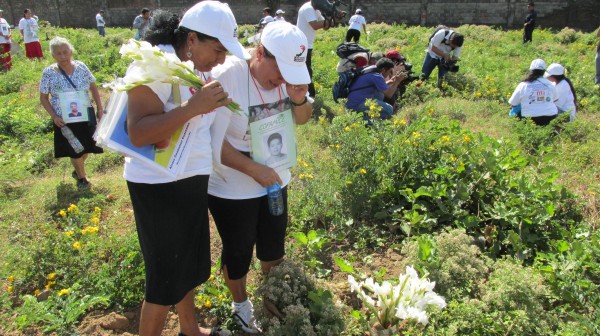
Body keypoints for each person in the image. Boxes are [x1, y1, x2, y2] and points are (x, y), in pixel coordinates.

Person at [124, 2, 250, 335]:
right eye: (218, 49)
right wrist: (192, 108)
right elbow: (138, 131)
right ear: (191, 39)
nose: (222, 59)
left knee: (188, 263)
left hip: (189, 180)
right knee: (165, 276)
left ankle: (190, 328)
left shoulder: (187, 63)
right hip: (159, 188)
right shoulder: (154, 65)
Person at [208, 20, 312, 334]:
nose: (282, 80)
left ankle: (272, 297)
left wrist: (297, 98)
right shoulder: (228, 77)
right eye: (278, 72)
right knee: (238, 248)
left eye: (289, 75)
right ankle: (240, 305)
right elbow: (216, 143)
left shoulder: (289, 79)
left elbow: (303, 119)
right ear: (259, 53)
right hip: (232, 183)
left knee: (272, 244)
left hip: (275, 177)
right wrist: (255, 170)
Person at [39, 37, 103, 188]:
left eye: (65, 52)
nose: (63, 56)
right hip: (64, 118)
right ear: (53, 55)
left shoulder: (81, 67)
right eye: (58, 53)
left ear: (71, 52)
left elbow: (93, 87)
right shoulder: (48, 72)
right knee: (74, 149)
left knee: (87, 146)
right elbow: (43, 97)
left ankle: (77, 168)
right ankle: (82, 178)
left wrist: (100, 109)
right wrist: (54, 116)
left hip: (85, 113)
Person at [296, 1, 334, 97]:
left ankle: (305, 93)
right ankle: (308, 94)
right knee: (305, 69)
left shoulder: (315, 10)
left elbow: (325, 26)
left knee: (306, 68)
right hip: (301, 44)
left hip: (307, 44)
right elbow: (315, 25)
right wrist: (329, 20)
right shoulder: (308, 8)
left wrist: (334, 18)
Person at [508, 59, 558, 126]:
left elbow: (513, 103)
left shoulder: (523, 85)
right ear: (544, 71)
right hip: (550, 117)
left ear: (531, 70)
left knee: (516, 110)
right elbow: (555, 99)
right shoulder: (550, 84)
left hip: (530, 119)